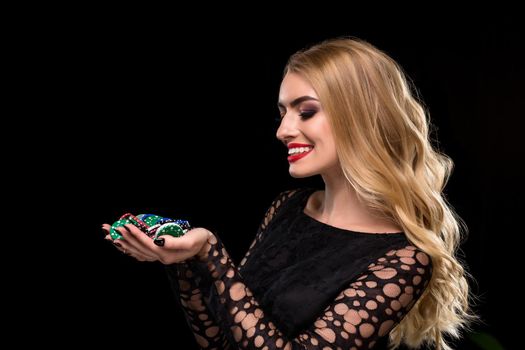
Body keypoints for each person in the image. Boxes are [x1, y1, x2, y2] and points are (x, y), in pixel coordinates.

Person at [102, 37, 475, 349]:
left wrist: (211, 253)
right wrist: (183, 260)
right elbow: (221, 342)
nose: (283, 130)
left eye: (306, 111)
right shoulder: (288, 207)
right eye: (283, 113)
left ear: (360, 116)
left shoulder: (404, 260)